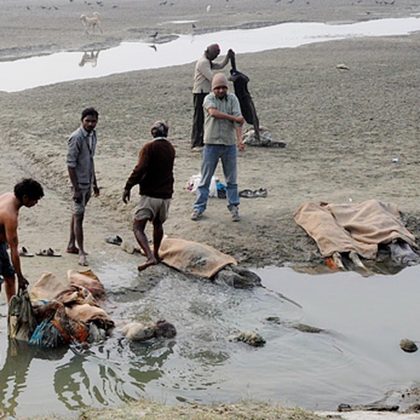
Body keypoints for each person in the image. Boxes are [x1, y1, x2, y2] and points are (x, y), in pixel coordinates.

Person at [122, 121, 175, 271]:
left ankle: (150, 256)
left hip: (150, 194)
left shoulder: (149, 147)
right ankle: (156, 254)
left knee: (138, 227)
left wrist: (128, 186)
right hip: (166, 194)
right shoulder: (170, 148)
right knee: (158, 224)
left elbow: (140, 168)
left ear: (153, 132)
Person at [191, 73, 245, 222]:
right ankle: (198, 208)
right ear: (213, 89)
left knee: (231, 179)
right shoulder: (208, 99)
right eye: (217, 88)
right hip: (211, 144)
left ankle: (234, 207)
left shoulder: (233, 99)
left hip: (228, 144)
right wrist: (233, 118)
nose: (221, 91)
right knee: (205, 179)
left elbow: (239, 121)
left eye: (223, 88)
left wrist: (240, 140)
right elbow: (213, 113)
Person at [0, 179, 44, 302]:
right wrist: (20, 277)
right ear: (25, 197)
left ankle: (12, 309)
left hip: (1, 244)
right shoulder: (10, 216)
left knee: (9, 276)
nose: (35, 203)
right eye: (35, 199)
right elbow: (14, 251)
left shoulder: (9, 196)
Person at [66, 107, 100, 267]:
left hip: (88, 181)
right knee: (79, 216)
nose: (91, 124)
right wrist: (76, 189)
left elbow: (90, 160)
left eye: (93, 121)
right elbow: (70, 164)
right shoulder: (76, 137)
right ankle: (81, 251)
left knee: (76, 214)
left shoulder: (93, 135)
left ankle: (71, 245)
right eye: (88, 121)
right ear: (82, 121)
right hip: (78, 184)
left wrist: (95, 183)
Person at [191, 44, 233, 150]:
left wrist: (228, 57)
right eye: (215, 54)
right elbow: (212, 78)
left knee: (205, 118)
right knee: (199, 118)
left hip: (205, 91)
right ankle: (196, 142)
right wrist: (226, 80)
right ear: (209, 52)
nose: (215, 57)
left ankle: (202, 140)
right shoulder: (203, 62)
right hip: (200, 92)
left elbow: (220, 66)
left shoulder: (207, 60)